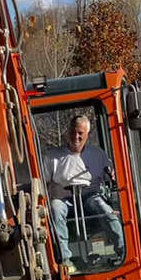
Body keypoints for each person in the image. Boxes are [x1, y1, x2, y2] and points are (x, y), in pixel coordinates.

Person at [43, 115, 124, 268]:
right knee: (55, 209)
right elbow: (44, 182)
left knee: (106, 211)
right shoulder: (52, 156)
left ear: (87, 134)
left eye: (80, 133)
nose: (76, 136)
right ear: (68, 131)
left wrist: (113, 173)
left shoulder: (97, 154)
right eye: (73, 132)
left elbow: (110, 172)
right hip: (63, 197)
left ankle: (122, 250)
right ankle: (65, 260)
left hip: (90, 195)